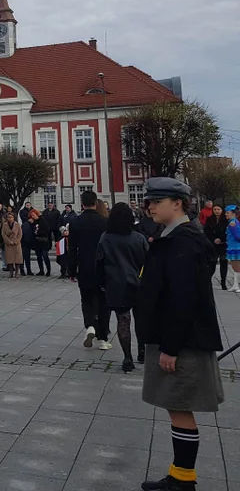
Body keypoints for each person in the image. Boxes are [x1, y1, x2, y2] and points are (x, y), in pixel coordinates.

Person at [138, 178, 223, 491]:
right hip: (178, 338)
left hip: (182, 342)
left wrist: (171, 347)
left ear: (178, 203)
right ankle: (180, 475)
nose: (150, 206)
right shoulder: (175, 236)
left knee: (180, 405)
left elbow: (183, 298)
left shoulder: (183, 241)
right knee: (177, 407)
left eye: (156, 201)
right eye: (149, 201)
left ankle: (183, 480)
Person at [96, 202, 148, 373]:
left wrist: (101, 283)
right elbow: (148, 262)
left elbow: (99, 262)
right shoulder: (138, 238)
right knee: (141, 320)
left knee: (123, 321)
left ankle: (127, 357)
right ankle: (142, 351)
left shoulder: (106, 238)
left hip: (116, 284)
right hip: (139, 284)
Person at [68, 190, 111, 350]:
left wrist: (71, 271)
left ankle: (90, 325)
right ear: (96, 202)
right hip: (102, 267)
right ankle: (103, 338)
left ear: (82, 203)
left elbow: (72, 248)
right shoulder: (105, 222)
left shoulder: (76, 222)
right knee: (103, 302)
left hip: (84, 266)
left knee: (86, 300)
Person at [203, 205, 229, 290]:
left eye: (218, 209)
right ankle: (207, 281)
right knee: (212, 262)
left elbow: (228, 231)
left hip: (223, 244)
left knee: (223, 262)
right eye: (215, 209)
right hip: (213, 244)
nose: (216, 211)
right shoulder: (210, 219)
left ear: (222, 210)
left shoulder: (226, 219)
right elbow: (206, 231)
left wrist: (221, 239)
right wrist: (213, 239)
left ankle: (223, 282)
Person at [29, 209, 53, 277]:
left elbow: (47, 229)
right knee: (39, 257)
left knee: (45, 256)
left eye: (33, 215)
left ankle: (48, 270)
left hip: (43, 241)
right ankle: (41, 270)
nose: (32, 216)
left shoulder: (42, 220)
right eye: (31, 216)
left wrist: (39, 232)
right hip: (37, 242)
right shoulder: (34, 222)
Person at [1, 212, 22, 279]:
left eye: (11, 217)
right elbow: (3, 234)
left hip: (16, 244)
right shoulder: (4, 225)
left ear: (13, 218)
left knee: (17, 259)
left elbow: (20, 234)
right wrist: (8, 241)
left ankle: (16, 273)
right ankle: (11, 272)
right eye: (8, 217)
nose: (9, 219)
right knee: (9, 259)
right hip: (8, 244)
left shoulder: (17, 224)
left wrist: (16, 241)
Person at [225, 206, 240, 293]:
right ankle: (235, 284)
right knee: (235, 267)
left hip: (236, 247)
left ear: (233, 214)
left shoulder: (232, 223)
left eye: (227, 212)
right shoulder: (233, 222)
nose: (226, 214)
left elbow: (237, 236)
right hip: (233, 246)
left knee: (237, 267)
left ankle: (237, 285)